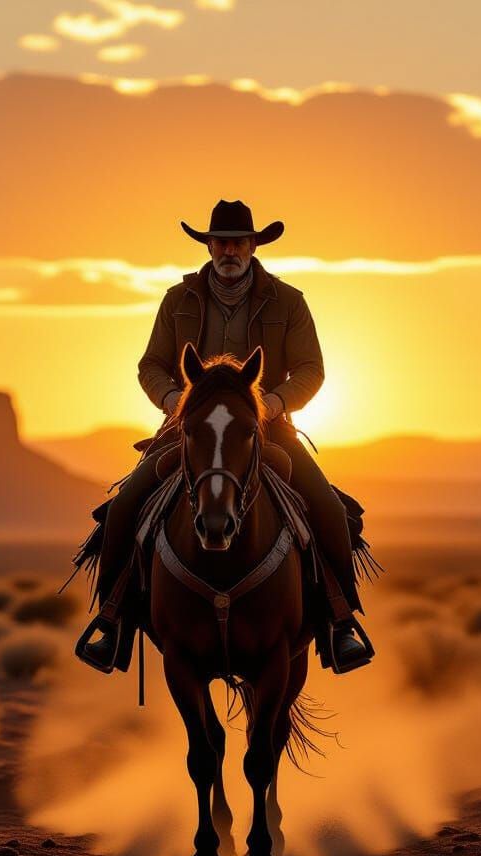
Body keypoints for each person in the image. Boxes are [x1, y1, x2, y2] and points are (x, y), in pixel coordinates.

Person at [76, 199, 375, 674]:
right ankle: (112, 623)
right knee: (123, 508)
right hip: (187, 431)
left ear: (254, 245)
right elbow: (150, 365)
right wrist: (176, 402)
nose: (229, 250)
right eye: (220, 242)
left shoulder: (287, 301)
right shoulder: (179, 301)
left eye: (238, 241)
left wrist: (271, 405)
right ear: (209, 245)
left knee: (329, 510)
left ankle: (341, 624)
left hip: (268, 432)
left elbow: (311, 369)